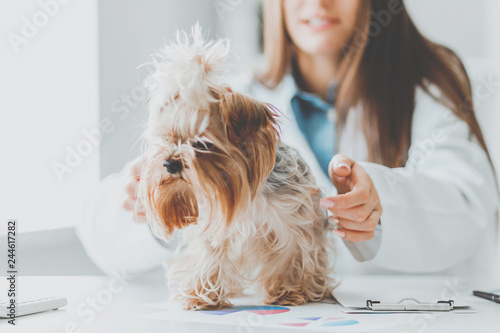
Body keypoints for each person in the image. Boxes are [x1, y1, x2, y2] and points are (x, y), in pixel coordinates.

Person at [78, 0, 499, 278]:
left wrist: (381, 202)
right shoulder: (228, 104)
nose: (318, 3)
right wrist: (154, 207)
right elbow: (101, 236)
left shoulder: (426, 85)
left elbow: (467, 205)